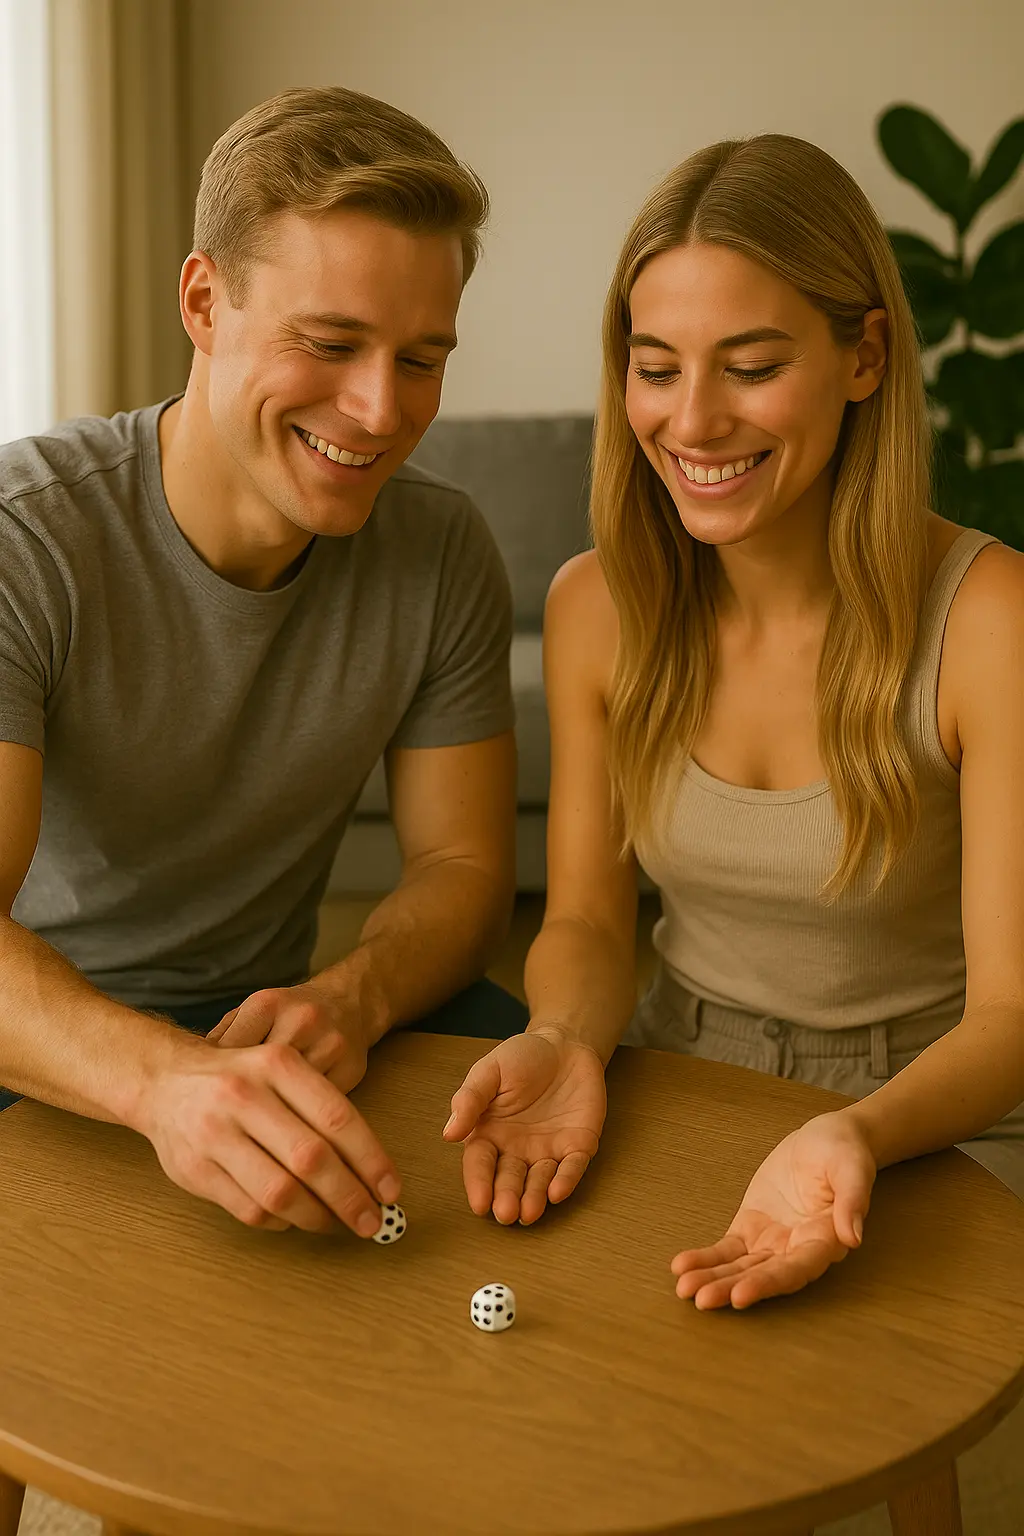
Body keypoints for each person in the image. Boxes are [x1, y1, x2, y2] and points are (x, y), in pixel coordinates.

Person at [444, 131, 1024, 1255]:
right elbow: (585, 921)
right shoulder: (595, 609)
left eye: (751, 366)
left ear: (864, 359)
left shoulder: (991, 619)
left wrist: (852, 1134)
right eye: (655, 368)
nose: (693, 421)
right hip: (679, 1068)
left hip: (938, 1108)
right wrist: (563, 1037)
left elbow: (1011, 1014)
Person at [0, 86, 528, 1240]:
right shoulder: (24, 538)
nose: (380, 410)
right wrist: (158, 1082)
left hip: (263, 1019)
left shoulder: (439, 549)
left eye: (422, 358)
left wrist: (359, 992)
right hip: (40, 1041)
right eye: (330, 345)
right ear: (203, 299)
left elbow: (462, 865)